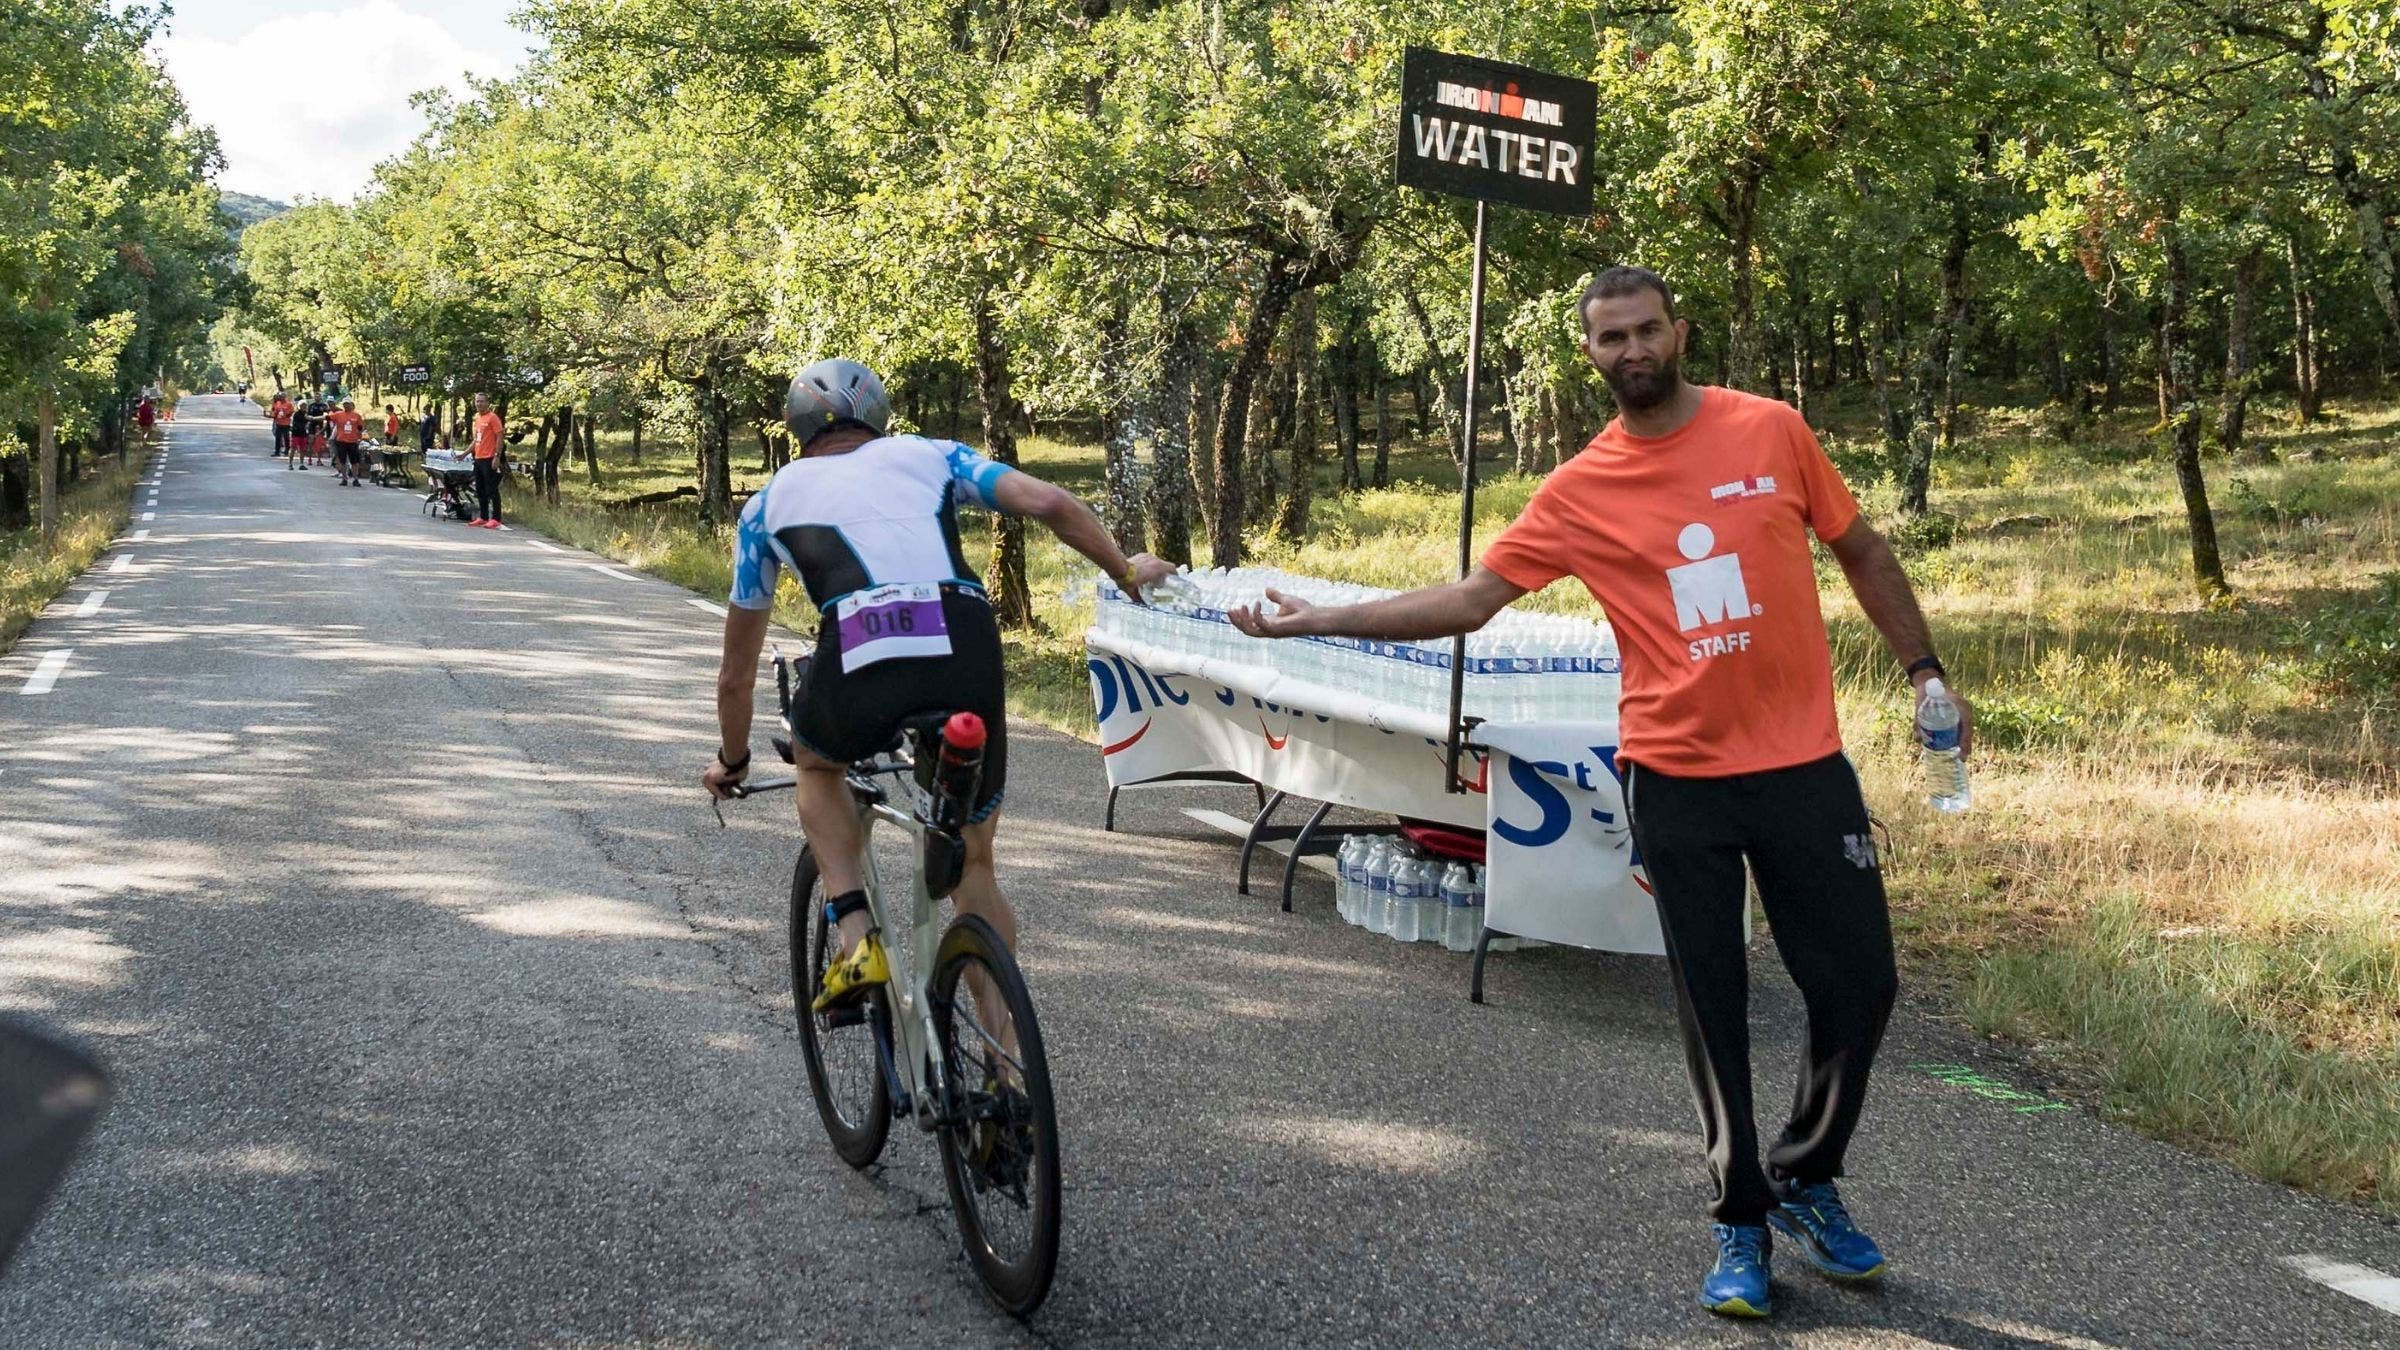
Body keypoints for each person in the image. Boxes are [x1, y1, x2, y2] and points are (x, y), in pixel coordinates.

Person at [1229, 266, 1974, 1321]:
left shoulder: (1772, 432)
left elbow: (1858, 548)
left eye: (1645, 331)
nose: (1631, 352)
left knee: (1861, 985)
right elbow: (1473, 601)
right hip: (1676, 778)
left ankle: (1809, 1173)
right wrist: (1318, 621)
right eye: (1610, 339)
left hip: (1804, 764)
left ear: (1680, 330)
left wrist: (1926, 671)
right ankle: (1740, 1217)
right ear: (1590, 355)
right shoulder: (1581, 490)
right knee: (1712, 1008)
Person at [700, 358, 1172, 1016]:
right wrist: (1124, 571)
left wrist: (734, 759)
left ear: (797, 428)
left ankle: (857, 936)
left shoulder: (766, 507)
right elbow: (1053, 503)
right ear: (881, 416)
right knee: (974, 863)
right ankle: (1004, 1076)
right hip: (964, 637)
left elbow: (735, 674)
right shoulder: (934, 455)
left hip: (861, 646)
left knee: (816, 766)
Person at [467, 393, 505, 527]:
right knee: (480, 489)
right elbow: (476, 440)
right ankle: (483, 516)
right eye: (477, 401)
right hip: (478, 457)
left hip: (489, 457)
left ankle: (496, 518)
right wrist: (465, 453)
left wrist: (497, 455)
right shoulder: (477, 419)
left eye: (482, 401)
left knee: (492, 489)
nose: (479, 404)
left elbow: (500, 436)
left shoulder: (493, 418)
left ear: (487, 402)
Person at [326, 399, 366, 486]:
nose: (346, 406)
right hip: (341, 441)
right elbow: (328, 418)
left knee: (354, 462)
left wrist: (359, 438)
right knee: (342, 461)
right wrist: (312, 418)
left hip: (353, 442)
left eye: (347, 404)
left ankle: (355, 479)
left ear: (351, 405)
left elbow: (360, 428)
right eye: (344, 404)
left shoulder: (356, 416)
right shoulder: (339, 414)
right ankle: (344, 478)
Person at [269, 393, 295, 458]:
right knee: (278, 437)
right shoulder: (278, 403)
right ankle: (277, 451)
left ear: (285, 397)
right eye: (280, 397)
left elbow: (292, 411)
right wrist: (271, 416)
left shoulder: (289, 404)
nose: (281, 398)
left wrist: (286, 414)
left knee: (286, 437)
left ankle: (287, 451)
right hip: (278, 423)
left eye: (282, 396)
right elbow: (275, 412)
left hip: (286, 424)